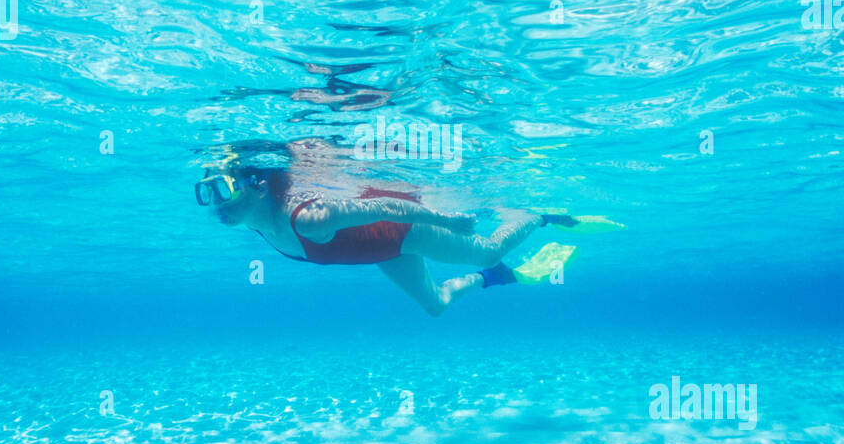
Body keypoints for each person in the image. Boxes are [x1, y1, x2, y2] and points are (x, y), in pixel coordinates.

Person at [195, 155, 618, 315]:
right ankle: (498, 279)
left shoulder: (306, 217)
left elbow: (384, 206)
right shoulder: (253, 219)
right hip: (376, 251)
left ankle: (538, 216)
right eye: (207, 191)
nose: (216, 203)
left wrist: (446, 222)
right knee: (435, 305)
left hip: (403, 231)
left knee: (487, 250)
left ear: (256, 183)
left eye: (223, 189)